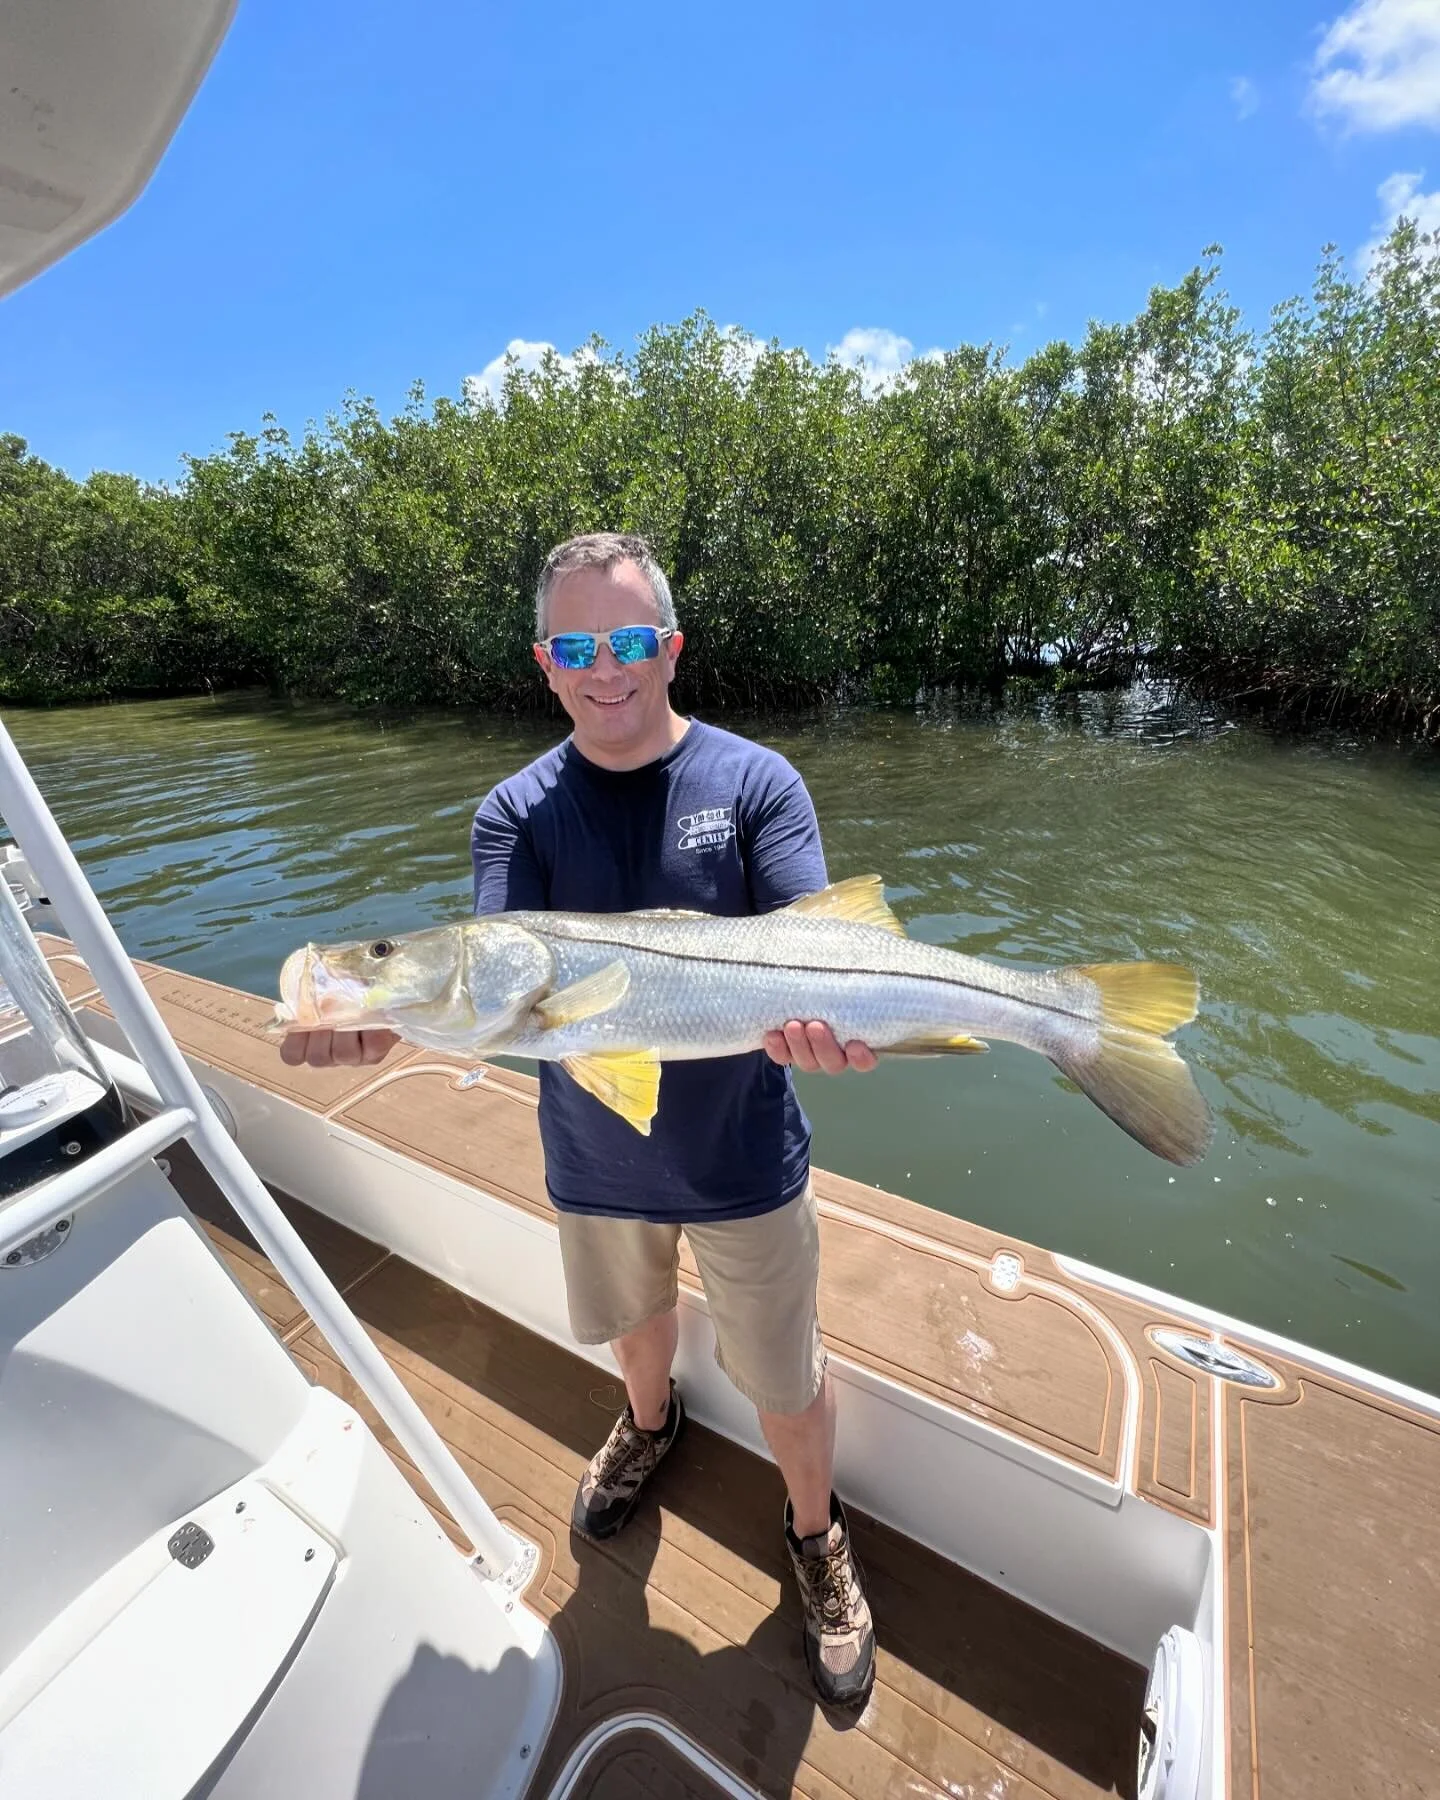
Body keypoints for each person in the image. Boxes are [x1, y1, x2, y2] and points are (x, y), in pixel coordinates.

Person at [283, 531, 878, 1709]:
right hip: (596, 1155)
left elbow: (821, 943)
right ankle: (648, 1426)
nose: (606, 669)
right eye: (576, 647)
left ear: (670, 647)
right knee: (635, 1327)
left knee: (782, 1374)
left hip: (745, 1155)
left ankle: (816, 1536)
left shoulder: (757, 782)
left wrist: (836, 1017)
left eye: (628, 640)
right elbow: (506, 988)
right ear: (546, 664)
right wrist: (389, 1009)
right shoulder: (515, 812)